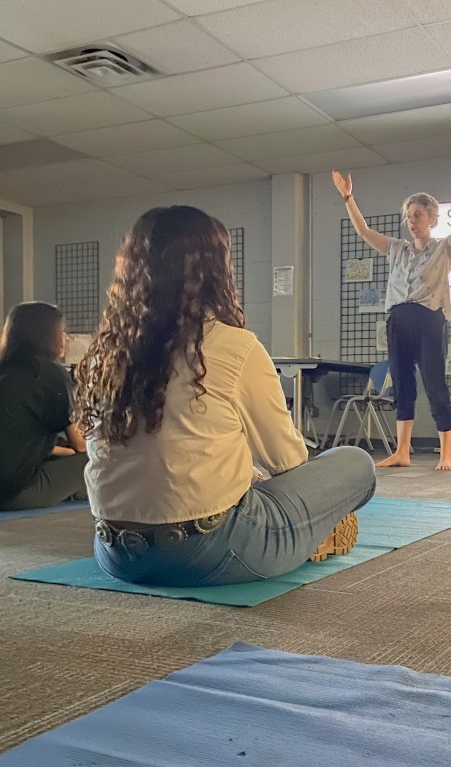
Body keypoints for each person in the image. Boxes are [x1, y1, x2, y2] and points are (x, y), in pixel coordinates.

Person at [75, 206, 376, 587]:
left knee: (243, 474)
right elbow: (286, 461)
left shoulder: (103, 355)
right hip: (210, 552)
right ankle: (314, 530)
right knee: (355, 462)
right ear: (216, 269)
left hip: (115, 554)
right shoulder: (233, 346)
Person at [332, 154, 451, 471]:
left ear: (432, 220)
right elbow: (364, 231)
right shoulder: (397, 248)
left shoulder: (444, 249)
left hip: (428, 319)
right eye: (408, 216)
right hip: (398, 320)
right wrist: (348, 198)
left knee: (435, 383)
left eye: (418, 215)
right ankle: (402, 452)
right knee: (402, 385)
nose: (412, 221)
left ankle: (445, 453)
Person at [0, 302, 87, 511]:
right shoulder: (50, 374)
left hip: (8, 482)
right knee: (98, 460)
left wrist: (64, 451)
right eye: (62, 331)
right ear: (48, 335)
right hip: (13, 493)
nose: (66, 337)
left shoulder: (5, 370)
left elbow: (16, 443)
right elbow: (81, 445)